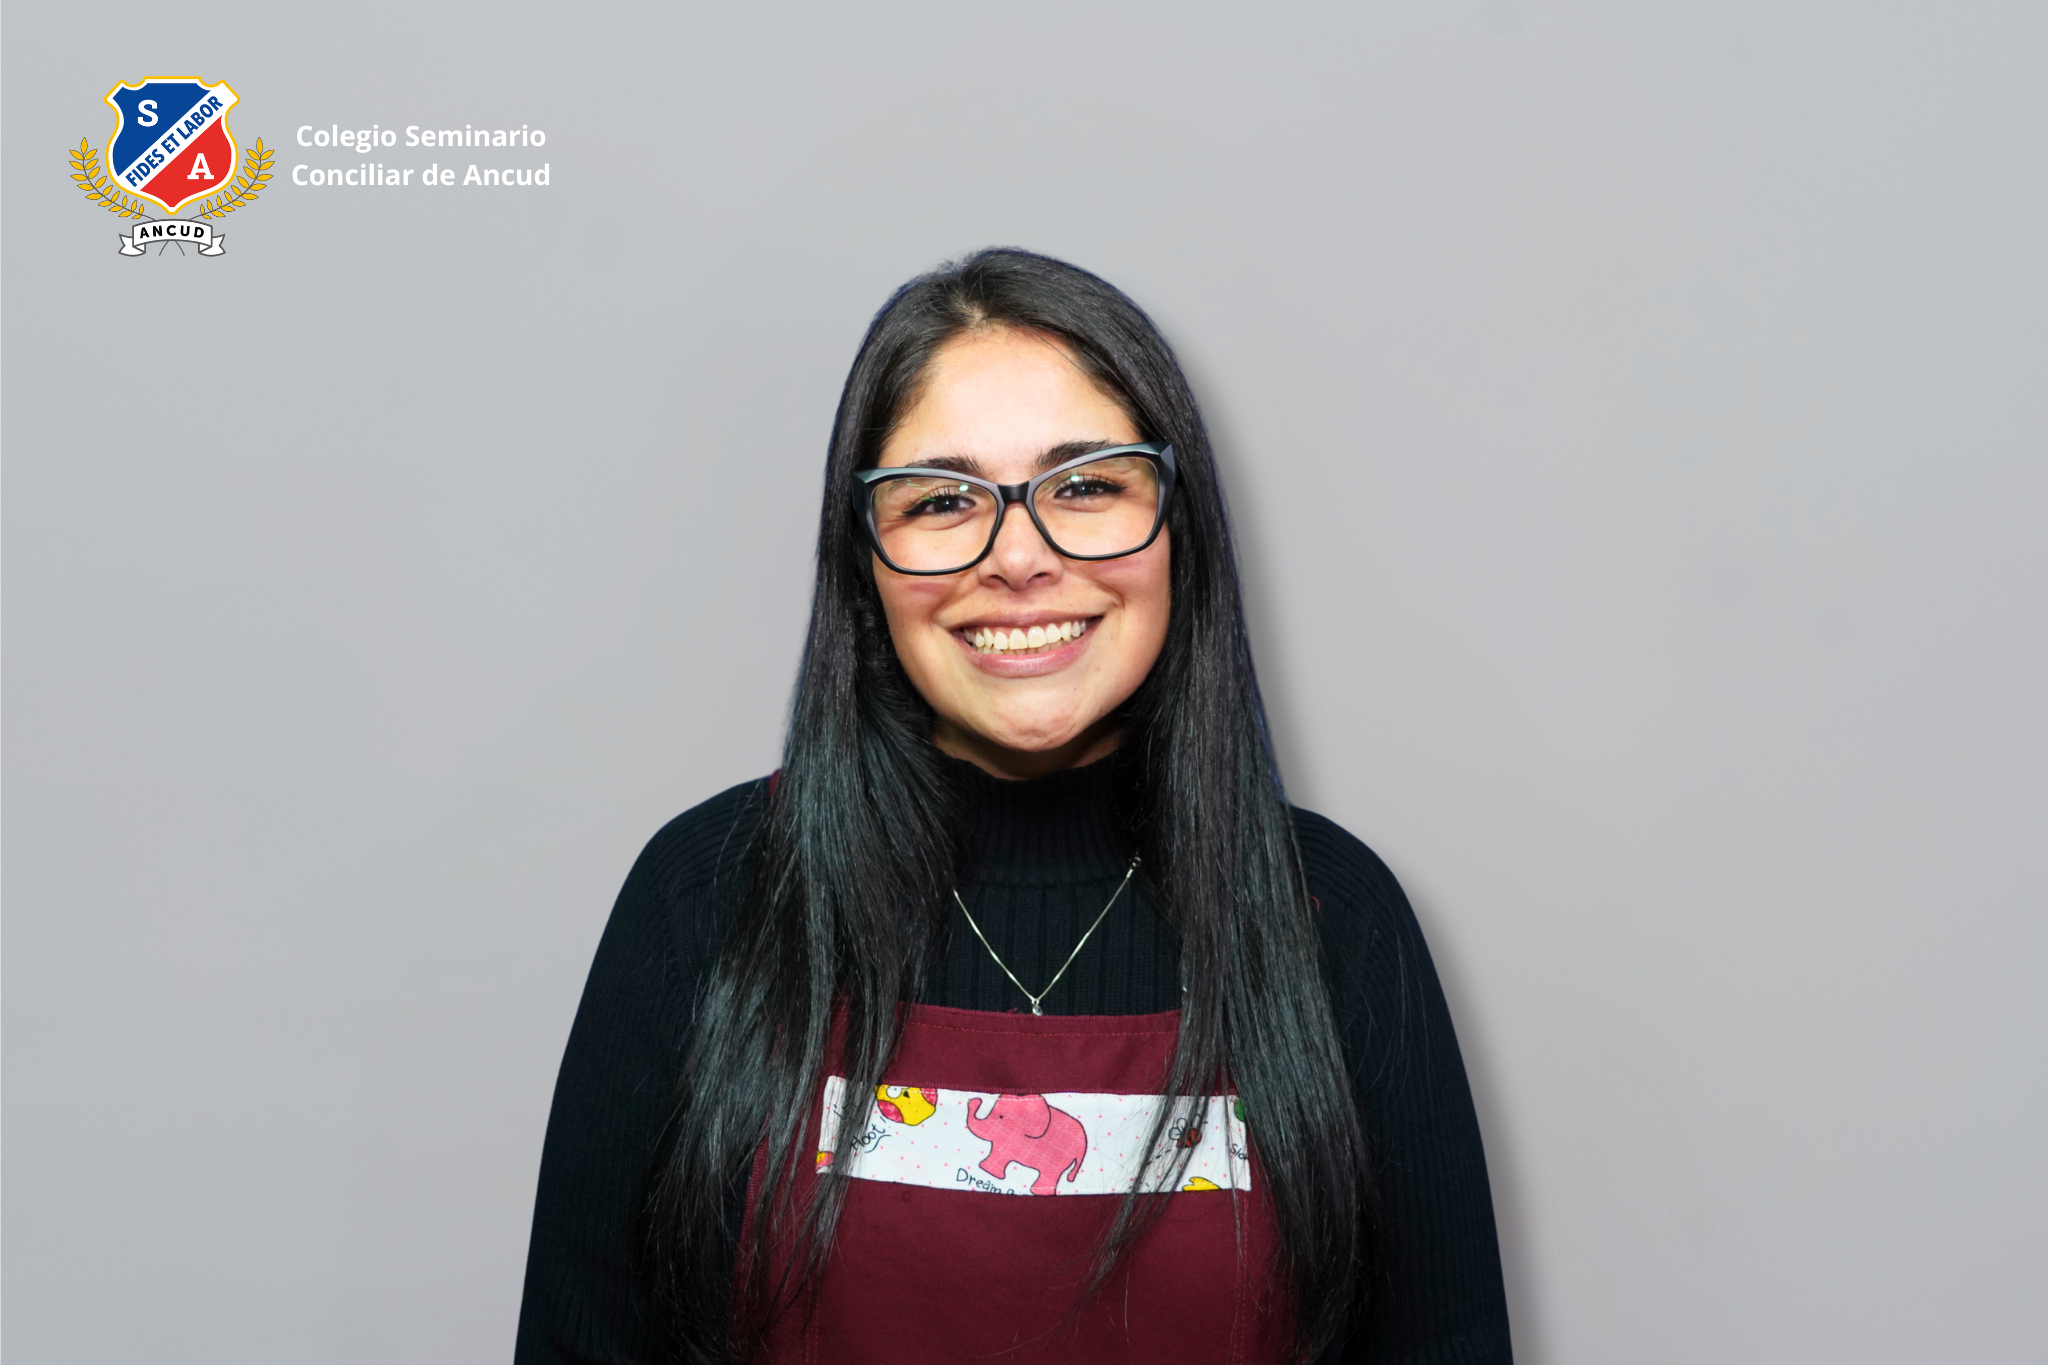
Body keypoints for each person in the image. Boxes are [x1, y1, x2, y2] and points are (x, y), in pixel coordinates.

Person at [515, 249, 1512, 1364]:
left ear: (1177, 525)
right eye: (943, 501)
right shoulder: (705, 898)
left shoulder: (1337, 919)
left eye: (1085, 486)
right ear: (865, 558)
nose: (1020, 559)